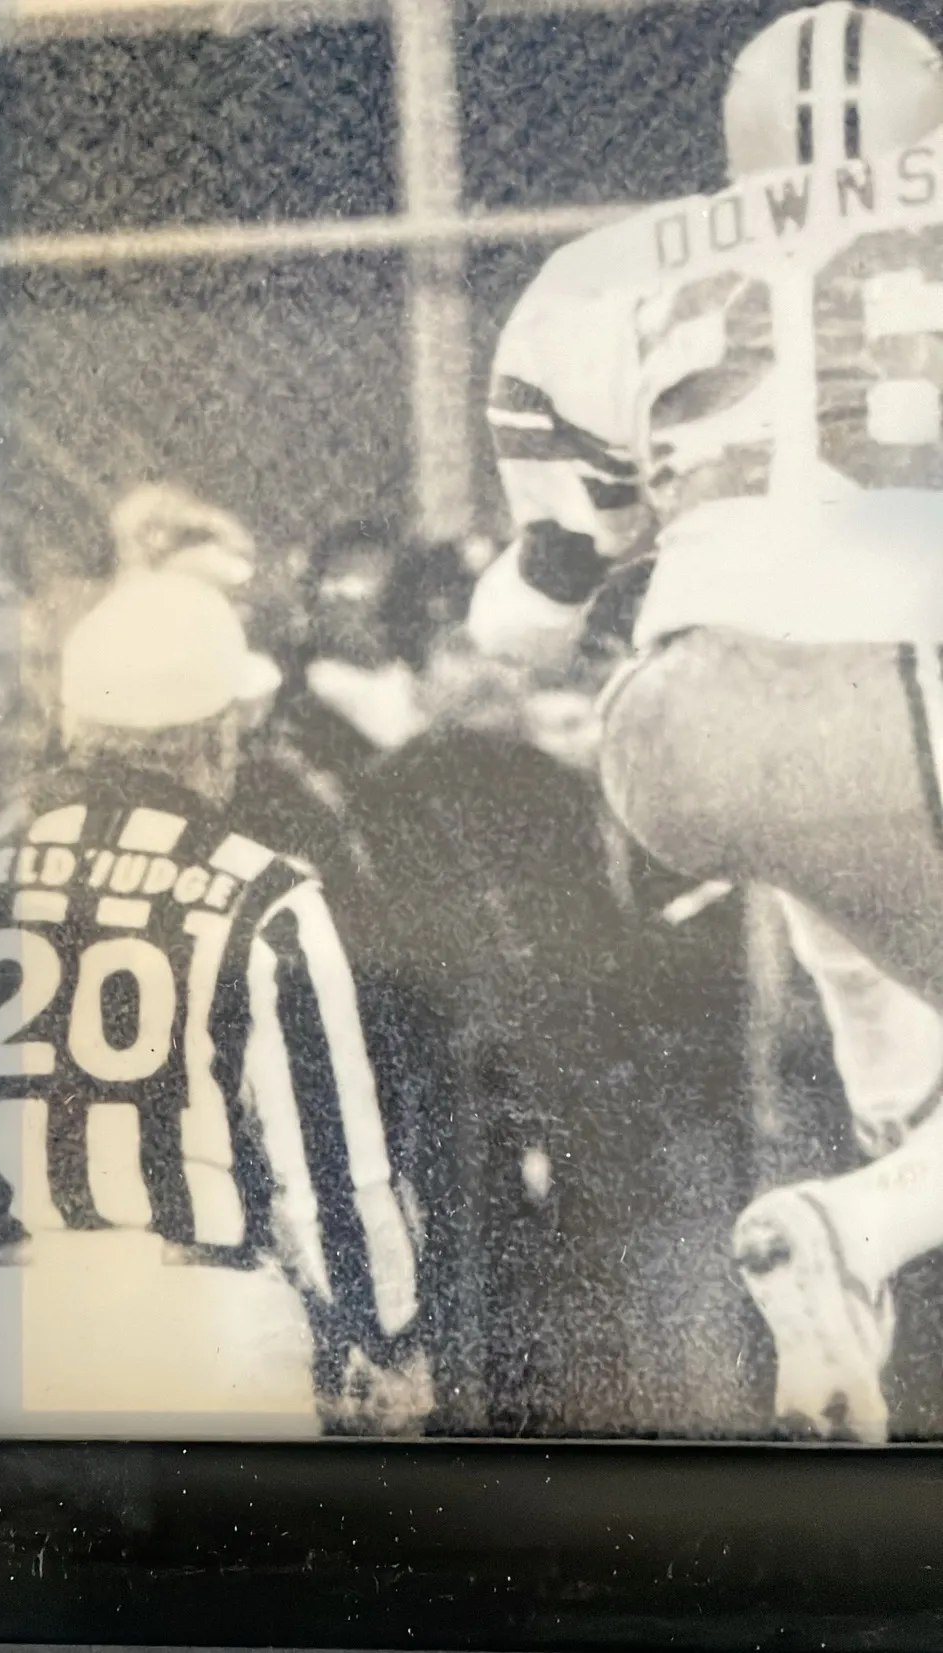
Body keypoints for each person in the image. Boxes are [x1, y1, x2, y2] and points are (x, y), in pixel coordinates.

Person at [470, 0, 943, 1441]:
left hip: (673, 723)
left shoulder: (612, 270)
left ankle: (882, 1210)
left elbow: (534, 603)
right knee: (866, 799)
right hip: (900, 686)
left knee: (826, 872)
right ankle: (865, 1224)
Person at [0, 567, 430, 1433]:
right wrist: (388, 1340)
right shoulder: (266, 895)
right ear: (214, 738)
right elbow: (331, 1169)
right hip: (197, 1327)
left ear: (72, 725)